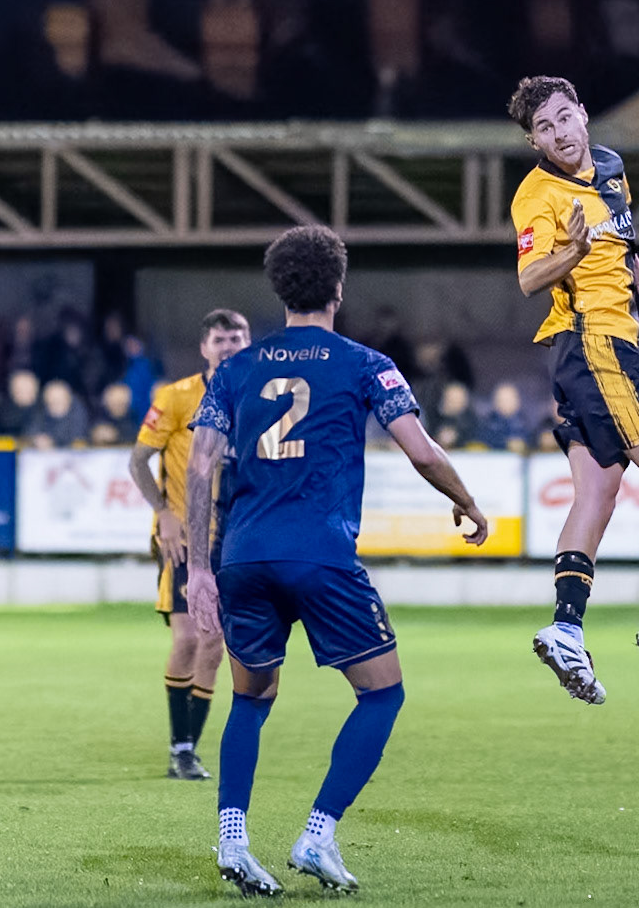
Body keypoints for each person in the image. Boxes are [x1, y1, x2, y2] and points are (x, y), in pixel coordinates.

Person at [182, 226, 488, 894]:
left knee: (250, 697)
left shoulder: (234, 369)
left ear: (279, 290)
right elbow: (421, 449)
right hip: (319, 553)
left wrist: (200, 567)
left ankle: (232, 839)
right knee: (382, 692)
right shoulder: (364, 362)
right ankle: (317, 833)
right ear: (338, 290)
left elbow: (200, 465)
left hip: (243, 556)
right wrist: (466, 500)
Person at [506, 76, 639, 705]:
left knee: (598, 491)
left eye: (564, 117)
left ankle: (566, 629)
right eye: (544, 128)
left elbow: (616, 229)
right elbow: (530, 278)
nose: (559, 133)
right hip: (594, 343)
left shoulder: (610, 167)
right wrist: (574, 252)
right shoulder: (536, 196)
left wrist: (630, 262)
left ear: (583, 113)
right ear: (534, 142)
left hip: (592, 346)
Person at [127, 309, 250, 781]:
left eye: (236, 338)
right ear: (204, 348)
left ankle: (188, 749)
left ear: (248, 342)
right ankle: (180, 748)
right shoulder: (177, 397)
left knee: (214, 643)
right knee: (188, 638)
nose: (228, 346)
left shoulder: (261, 395)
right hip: (185, 537)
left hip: (235, 538)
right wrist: (163, 512)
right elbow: (139, 461)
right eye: (220, 339)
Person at [477, 382, 532, 452]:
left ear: (517, 401)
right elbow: (482, 442)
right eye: (501, 400)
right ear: (495, 403)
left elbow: (533, 442)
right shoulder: (487, 423)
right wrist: (506, 444)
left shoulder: (525, 422)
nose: (506, 403)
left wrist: (523, 444)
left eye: (509, 399)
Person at [35, 379, 91, 447]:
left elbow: (78, 438)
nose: (56, 402)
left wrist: (53, 442)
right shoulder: (40, 412)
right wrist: (37, 439)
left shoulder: (79, 412)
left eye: (60, 399)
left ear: (68, 399)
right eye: (52, 399)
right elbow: (33, 431)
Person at [0, 369, 45, 437]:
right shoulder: (3, 412)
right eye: (20, 389)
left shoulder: (45, 410)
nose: (23, 392)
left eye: (27, 389)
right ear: (12, 390)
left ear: (36, 389)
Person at [429, 382, 479, 449]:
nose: (455, 402)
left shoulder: (471, 423)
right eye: (451, 399)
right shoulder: (433, 420)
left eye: (458, 399)